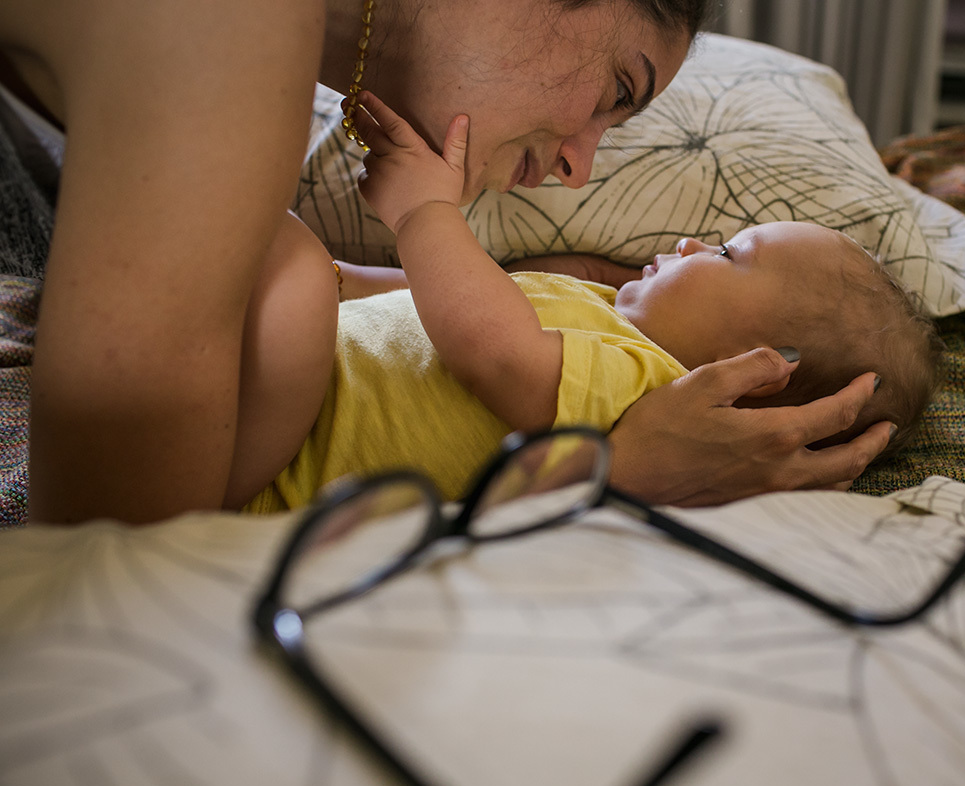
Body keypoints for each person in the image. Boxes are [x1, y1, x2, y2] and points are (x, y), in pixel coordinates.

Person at [1, 0, 894, 525]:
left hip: (284, 472)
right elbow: (107, 558)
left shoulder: (629, 357)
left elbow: (483, 330)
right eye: (616, 91)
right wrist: (609, 479)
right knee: (296, 276)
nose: (577, 166)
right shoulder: (235, 34)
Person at [231, 91, 938, 511]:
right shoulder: (600, 308)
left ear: (756, 368)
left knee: (283, 256)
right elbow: (415, 304)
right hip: (271, 392)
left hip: (281, 466)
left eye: (728, 254)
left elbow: (494, 355)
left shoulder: (642, 381)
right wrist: (341, 279)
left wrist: (423, 216)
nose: (693, 242)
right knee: (277, 254)